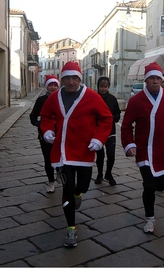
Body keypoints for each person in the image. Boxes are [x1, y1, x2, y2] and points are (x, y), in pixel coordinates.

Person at [40, 61, 113, 248]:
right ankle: (71, 228)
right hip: (62, 152)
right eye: (67, 78)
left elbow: (106, 118)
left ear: (79, 79)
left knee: (82, 186)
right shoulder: (54, 97)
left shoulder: (92, 96)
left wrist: (99, 139)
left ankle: (79, 192)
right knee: (67, 189)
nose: (71, 81)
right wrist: (47, 130)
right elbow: (46, 116)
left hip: (84, 151)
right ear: (62, 79)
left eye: (74, 78)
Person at [121, 62, 164, 234]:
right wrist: (130, 144)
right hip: (144, 151)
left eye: (158, 78)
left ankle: (157, 185)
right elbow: (126, 126)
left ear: (162, 81)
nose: (155, 81)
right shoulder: (136, 101)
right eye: (151, 79)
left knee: (161, 185)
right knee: (149, 186)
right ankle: (149, 218)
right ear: (146, 81)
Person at [29, 75, 60, 193]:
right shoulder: (41, 100)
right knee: (48, 158)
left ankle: (58, 173)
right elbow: (33, 115)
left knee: (60, 156)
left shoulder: (61, 98)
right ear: (47, 87)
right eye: (51, 85)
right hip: (45, 135)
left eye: (55, 85)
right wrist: (38, 124)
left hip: (59, 133)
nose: (53, 88)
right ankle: (51, 182)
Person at [94, 77, 121, 186]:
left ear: (108, 87)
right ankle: (99, 174)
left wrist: (113, 118)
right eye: (101, 87)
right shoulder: (94, 98)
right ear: (98, 87)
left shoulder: (112, 99)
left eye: (105, 87)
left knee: (111, 155)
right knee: (100, 155)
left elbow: (117, 113)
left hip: (110, 131)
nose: (103, 89)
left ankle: (108, 173)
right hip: (98, 132)